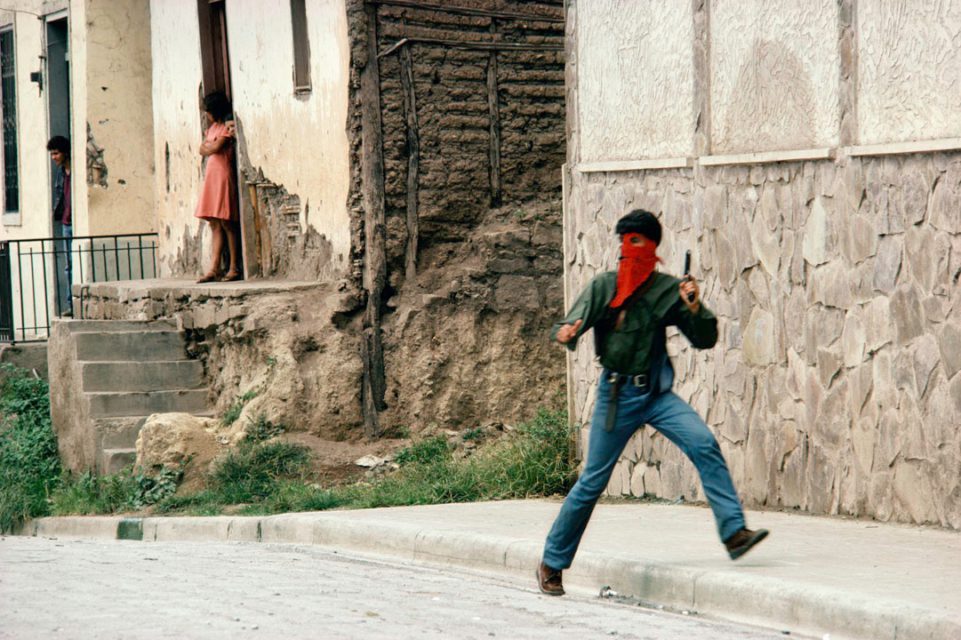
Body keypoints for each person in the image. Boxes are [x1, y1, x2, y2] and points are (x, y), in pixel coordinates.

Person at [536, 209, 769, 597]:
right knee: (592, 481)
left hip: (656, 395)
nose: (629, 252)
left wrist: (694, 306)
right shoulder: (604, 287)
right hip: (616, 396)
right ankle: (552, 561)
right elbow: (570, 323)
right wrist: (566, 331)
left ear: (653, 248)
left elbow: (705, 338)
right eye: (624, 244)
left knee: (703, 443)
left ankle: (734, 533)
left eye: (638, 243)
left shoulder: (666, 289)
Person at [194, 91, 240, 283]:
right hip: (212, 177)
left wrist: (209, 146)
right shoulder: (213, 129)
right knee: (214, 223)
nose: (206, 115)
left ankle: (233, 267)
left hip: (221, 175)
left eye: (208, 111)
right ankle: (214, 268)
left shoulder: (226, 128)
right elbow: (201, 149)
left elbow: (212, 149)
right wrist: (209, 146)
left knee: (227, 222)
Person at [47, 135, 73, 316]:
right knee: (68, 266)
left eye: (56, 153)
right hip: (66, 222)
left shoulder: (75, 171)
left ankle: (74, 303)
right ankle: (71, 303)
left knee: (73, 263)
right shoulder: (61, 174)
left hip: (75, 222)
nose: (53, 157)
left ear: (64, 152)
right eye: (52, 154)